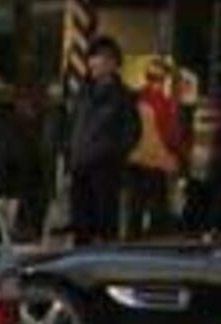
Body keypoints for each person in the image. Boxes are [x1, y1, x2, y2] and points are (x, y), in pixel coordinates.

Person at [66, 37, 140, 244]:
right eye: (91, 58)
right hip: (80, 165)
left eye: (97, 58)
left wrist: (112, 154)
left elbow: (132, 132)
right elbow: (73, 125)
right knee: (81, 226)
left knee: (105, 223)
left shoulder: (123, 97)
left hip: (104, 169)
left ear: (112, 63)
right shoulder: (83, 93)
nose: (92, 63)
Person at [127, 58, 185, 238]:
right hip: (159, 160)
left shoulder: (135, 100)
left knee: (135, 205)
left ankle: (132, 239)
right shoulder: (164, 104)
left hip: (135, 159)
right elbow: (172, 135)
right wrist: (179, 155)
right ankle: (155, 239)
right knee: (158, 206)